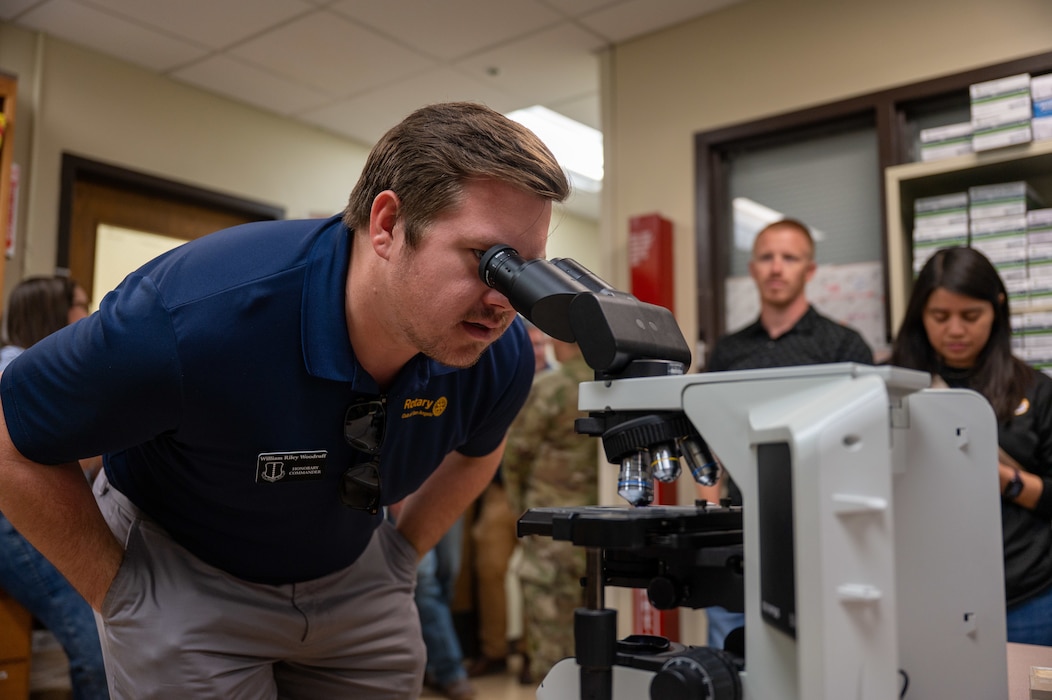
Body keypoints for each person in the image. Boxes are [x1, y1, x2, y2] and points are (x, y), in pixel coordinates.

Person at [0, 102, 570, 698]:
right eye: (490, 261)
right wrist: (124, 597)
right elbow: (13, 443)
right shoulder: (194, 317)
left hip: (354, 578)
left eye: (525, 269)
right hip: (186, 573)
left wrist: (401, 557)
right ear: (387, 226)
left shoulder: (489, 352)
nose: (504, 301)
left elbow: (479, 452)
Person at [703, 218, 873, 648]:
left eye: (790, 258)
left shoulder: (844, 348)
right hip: (737, 529)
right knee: (732, 656)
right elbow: (708, 437)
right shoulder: (728, 351)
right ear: (754, 269)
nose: (777, 268)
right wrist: (708, 510)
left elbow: (865, 445)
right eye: (766, 257)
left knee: (819, 656)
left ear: (809, 270)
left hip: (822, 530)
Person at [889, 245, 1052, 646]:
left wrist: (1000, 479)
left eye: (971, 316)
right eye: (940, 317)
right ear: (919, 316)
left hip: (1024, 593)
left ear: (996, 310)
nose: (956, 330)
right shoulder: (893, 389)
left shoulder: (1036, 391)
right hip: (923, 590)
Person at [0, 275, 108, 700]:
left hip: (26, 511)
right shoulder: (15, 371)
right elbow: (33, 466)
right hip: (12, 517)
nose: (87, 314)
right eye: (79, 304)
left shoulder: (36, 368)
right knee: (98, 644)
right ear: (53, 313)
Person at [502, 338, 597, 684]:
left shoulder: (551, 388)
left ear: (558, 338)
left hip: (551, 532)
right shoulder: (609, 385)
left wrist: (523, 515)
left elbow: (516, 458)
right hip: (600, 533)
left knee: (553, 652)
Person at [466, 319, 549, 680]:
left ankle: (534, 652)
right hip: (500, 490)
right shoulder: (501, 378)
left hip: (542, 494)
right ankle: (495, 650)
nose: (538, 351)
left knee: (537, 574)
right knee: (489, 567)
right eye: (532, 344)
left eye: (542, 344)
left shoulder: (559, 387)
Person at [415, 516, 474, 700]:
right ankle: (450, 670)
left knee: (447, 574)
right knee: (424, 581)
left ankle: (429, 662)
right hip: (407, 496)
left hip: (449, 489)